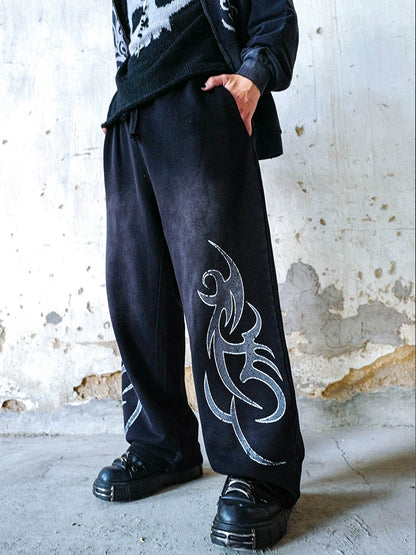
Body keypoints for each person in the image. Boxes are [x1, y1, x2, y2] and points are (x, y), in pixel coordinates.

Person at [93, 0, 305, 549]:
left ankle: (260, 467)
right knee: (134, 295)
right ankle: (162, 445)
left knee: (223, 288)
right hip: (130, 114)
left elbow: (275, 13)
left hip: (199, 97)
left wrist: (252, 78)